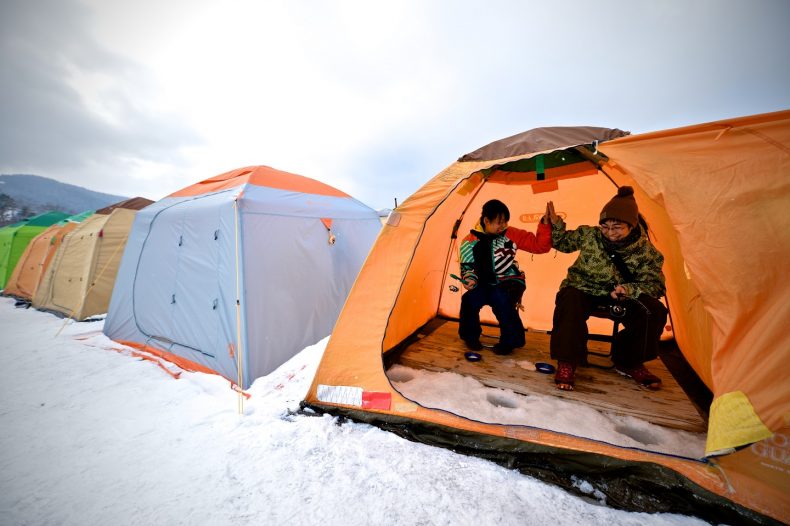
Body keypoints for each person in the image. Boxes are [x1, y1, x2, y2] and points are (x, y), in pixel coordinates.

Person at [546, 186, 668, 391]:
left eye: (617, 227)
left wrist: (628, 289)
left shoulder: (646, 252)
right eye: (605, 226)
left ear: (632, 225)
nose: (610, 233)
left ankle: (629, 361)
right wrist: (556, 223)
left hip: (621, 294)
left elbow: (656, 285)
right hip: (583, 287)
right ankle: (567, 361)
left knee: (653, 311)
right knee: (569, 300)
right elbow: (562, 243)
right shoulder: (589, 235)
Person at [458, 199, 552, 355]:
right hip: (483, 284)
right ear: (486, 220)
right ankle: (471, 337)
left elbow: (540, 246)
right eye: (499, 222)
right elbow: (467, 268)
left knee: (500, 297)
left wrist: (545, 224)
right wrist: (469, 279)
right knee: (469, 299)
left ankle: (510, 340)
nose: (503, 226)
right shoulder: (469, 241)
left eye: (505, 222)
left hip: (510, 281)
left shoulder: (512, 234)